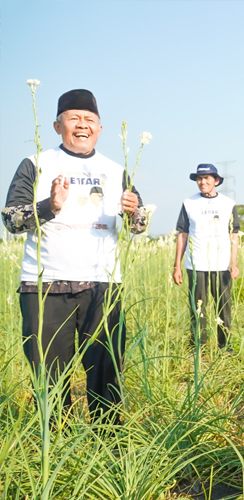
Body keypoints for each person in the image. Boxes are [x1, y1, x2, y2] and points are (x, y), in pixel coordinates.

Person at [2, 89, 147, 422]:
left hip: (102, 287)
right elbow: (11, 219)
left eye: (90, 120)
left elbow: (139, 225)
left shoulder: (116, 169)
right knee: (49, 376)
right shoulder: (36, 164)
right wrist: (49, 205)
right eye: (74, 118)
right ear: (57, 126)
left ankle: (108, 443)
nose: (82, 125)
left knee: (106, 373)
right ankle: (56, 446)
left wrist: (135, 212)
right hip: (45, 286)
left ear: (99, 128)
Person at [172, 164, 240, 350]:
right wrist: (177, 266)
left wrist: (234, 263)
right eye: (199, 179)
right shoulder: (188, 203)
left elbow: (233, 234)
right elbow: (182, 234)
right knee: (197, 306)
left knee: (224, 305)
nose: (203, 182)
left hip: (221, 263)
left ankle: (224, 345)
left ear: (216, 181)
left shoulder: (228, 203)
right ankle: (198, 345)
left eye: (207, 178)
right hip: (196, 262)